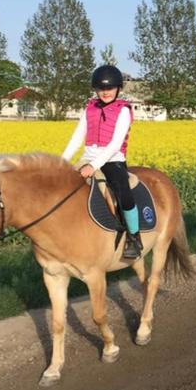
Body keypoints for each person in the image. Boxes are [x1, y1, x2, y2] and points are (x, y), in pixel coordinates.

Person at [62, 65, 143, 260]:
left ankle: (134, 237)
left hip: (112, 160)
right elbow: (77, 137)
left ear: (118, 88)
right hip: (87, 158)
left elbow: (115, 144)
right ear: (95, 89)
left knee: (123, 193)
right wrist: (61, 161)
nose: (105, 92)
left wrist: (93, 166)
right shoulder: (90, 108)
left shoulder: (123, 110)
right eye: (100, 88)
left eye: (110, 88)